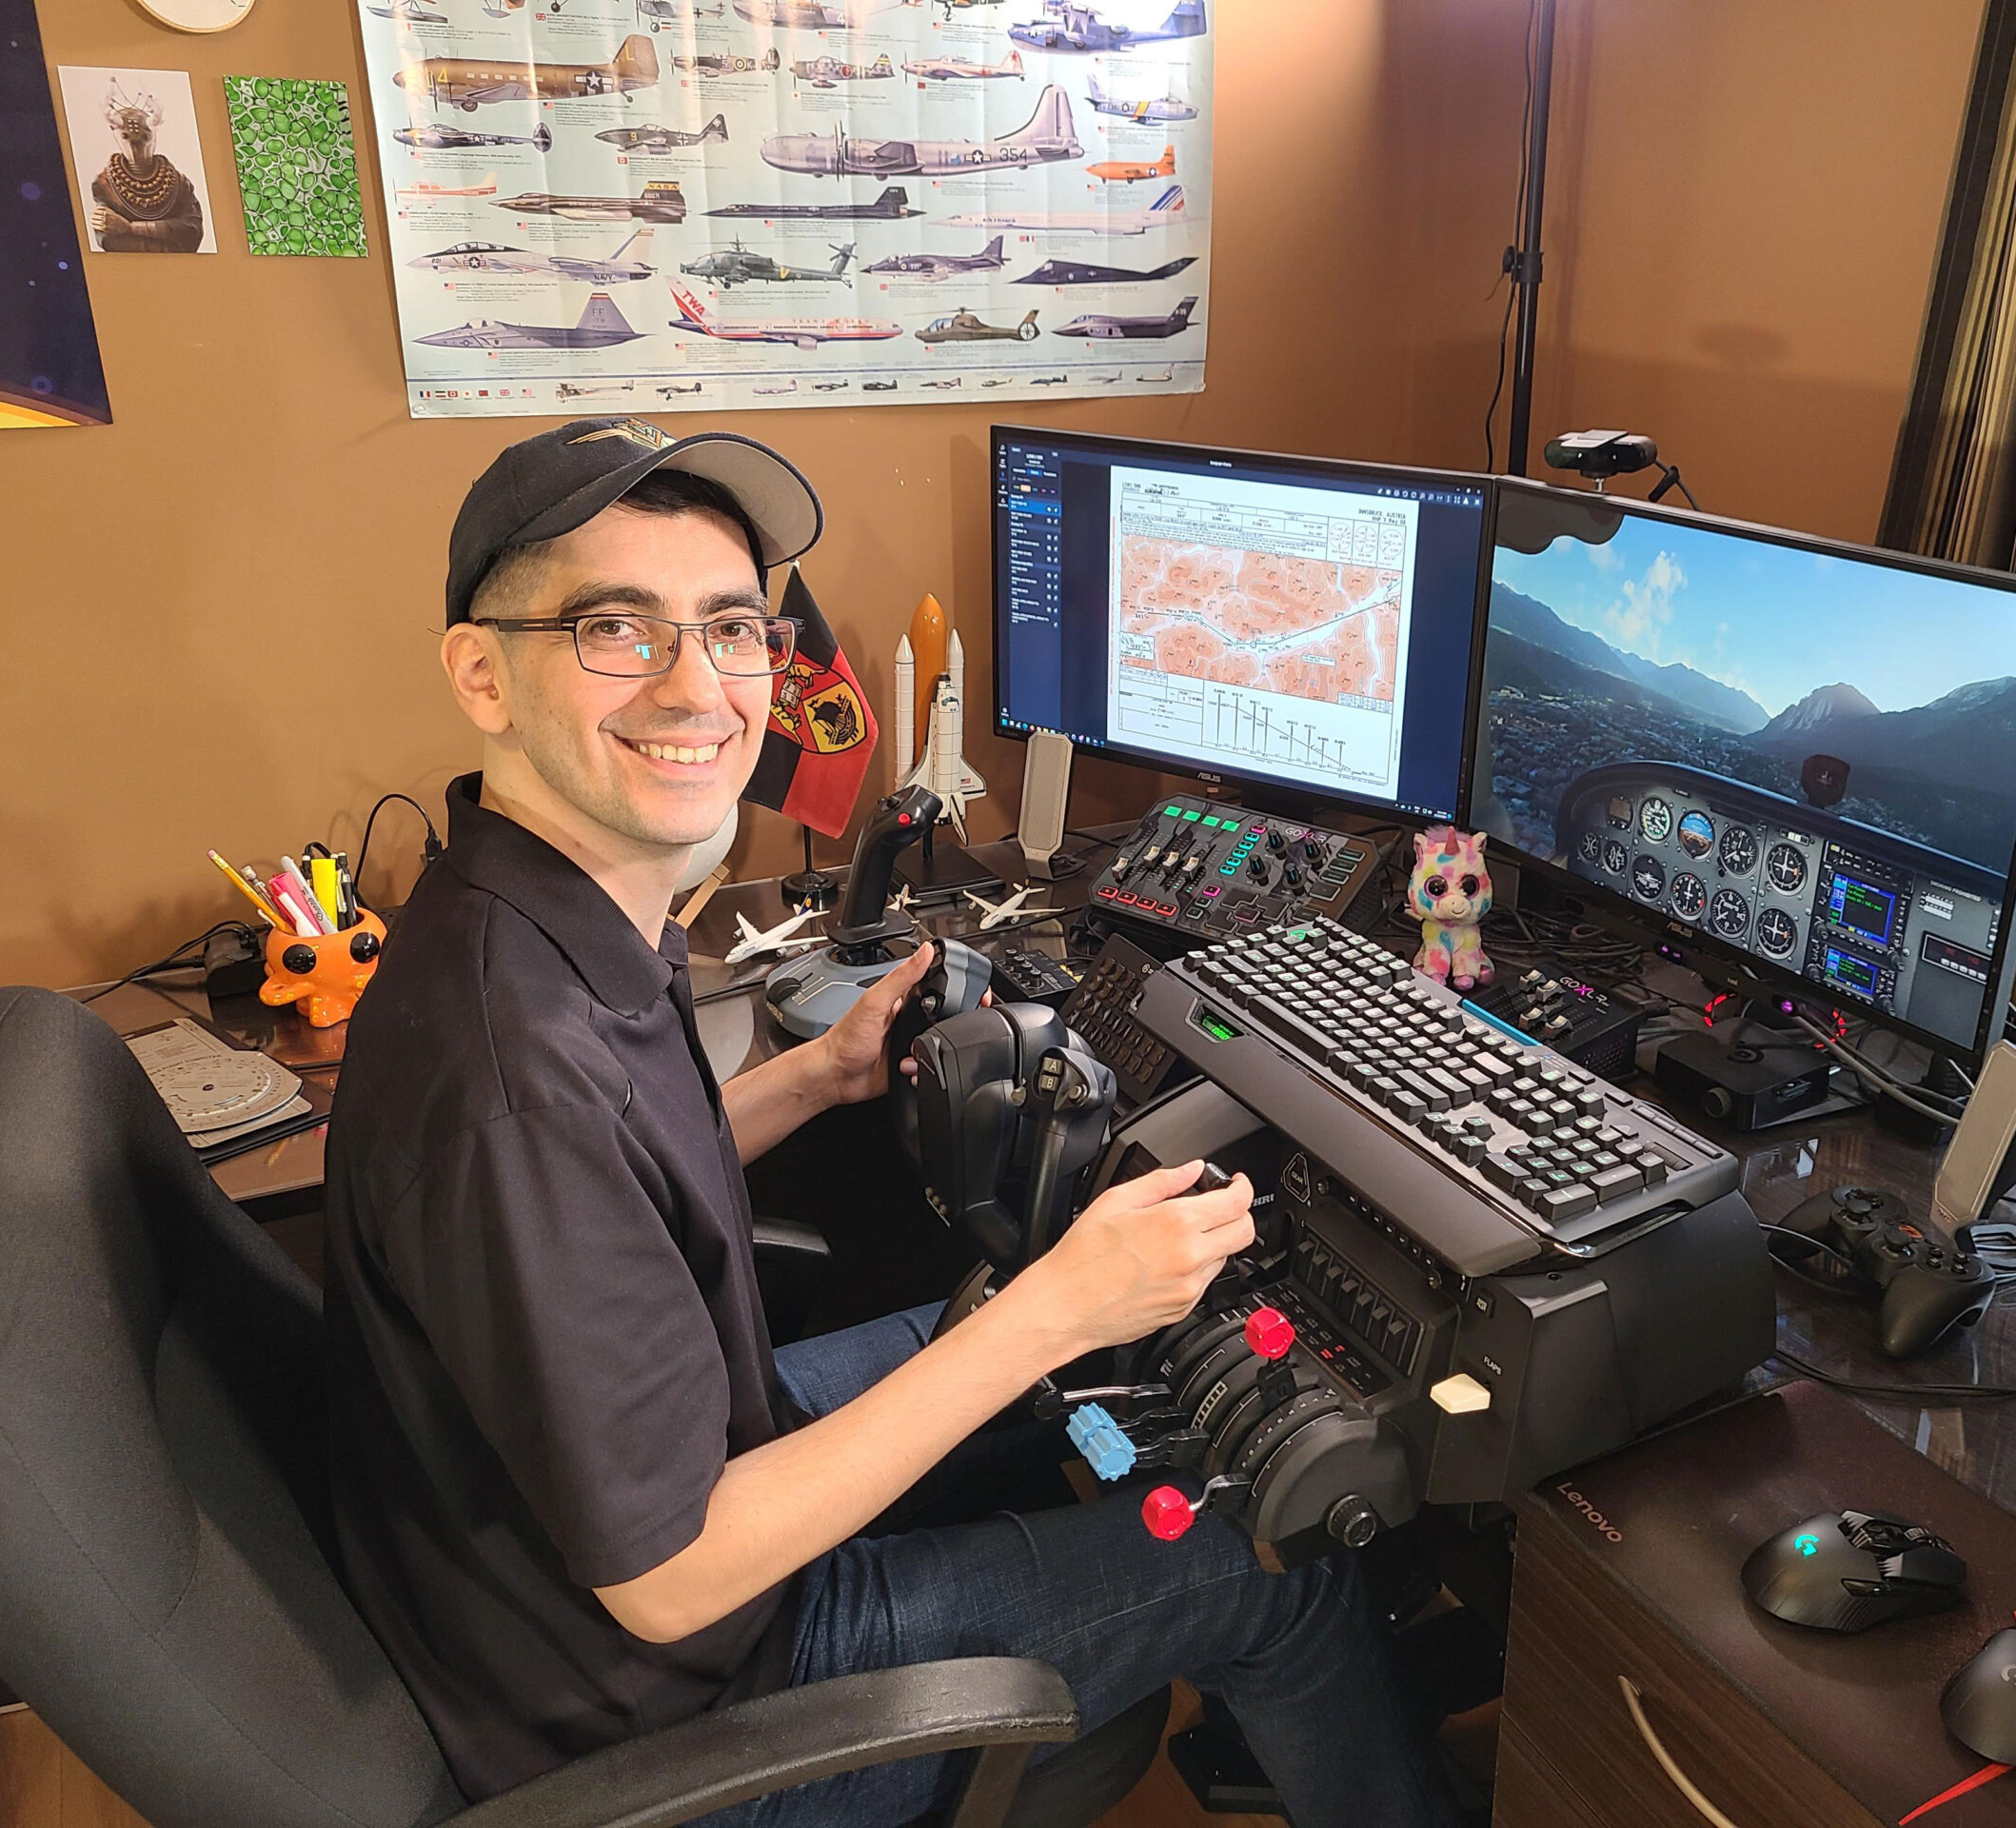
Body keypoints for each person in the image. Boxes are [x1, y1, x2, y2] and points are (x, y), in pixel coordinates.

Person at [325, 417, 1461, 1826]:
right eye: (618, 629)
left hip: (621, 1530)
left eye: (732, 630)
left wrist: (806, 1082)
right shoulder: (513, 1076)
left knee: (1030, 1332)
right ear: (481, 674)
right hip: (693, 1694)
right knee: (1267, 1572)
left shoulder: (528, 919)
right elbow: (672, 1569)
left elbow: (616, 1187)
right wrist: (1051, 1311)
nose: (699, 687)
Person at [89, 80, 204, 253]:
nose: (136, 148)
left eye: (145, 138)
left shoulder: (179, 184)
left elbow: (191, 230)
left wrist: (131, 228)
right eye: (126, 137)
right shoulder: (104, 185)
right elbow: (109, 239)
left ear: (153, 136)